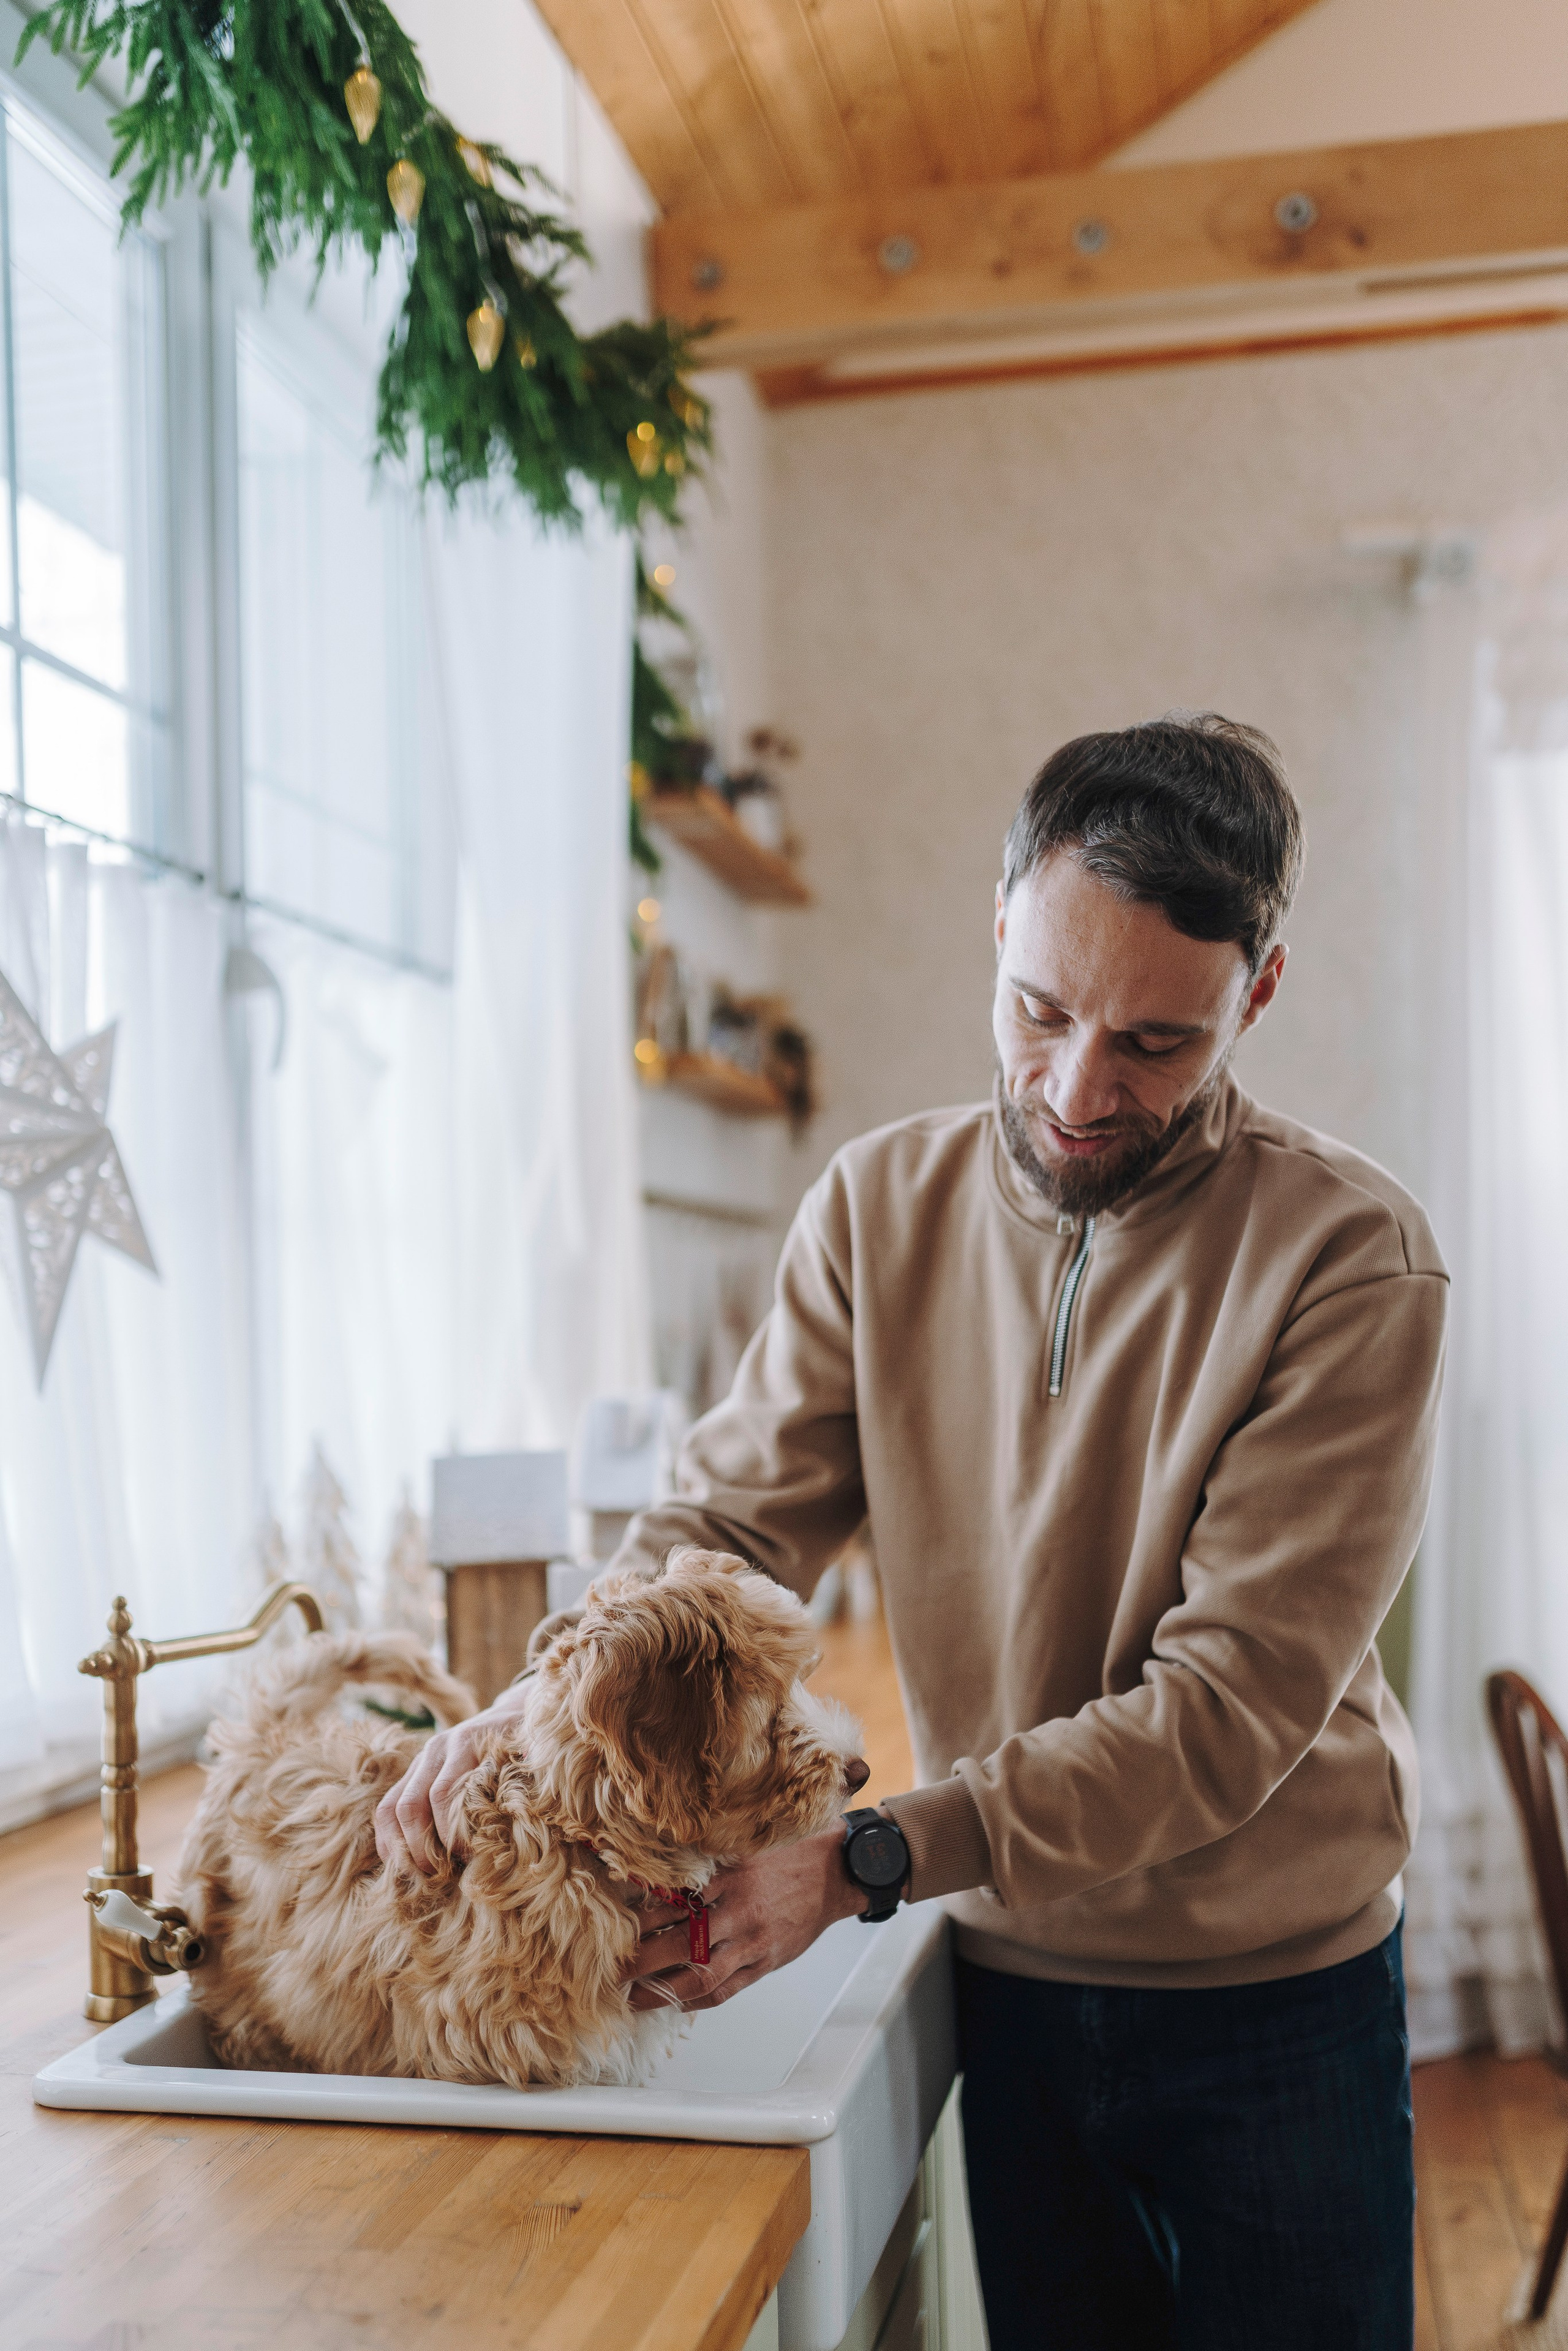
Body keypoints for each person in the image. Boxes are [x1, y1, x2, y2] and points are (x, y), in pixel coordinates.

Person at [377, 714, 1446, 2351]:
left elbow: (1223, 1716)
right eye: (1041, 1011)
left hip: (1272, 2007)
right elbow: (727, 1522)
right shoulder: (877, 1210)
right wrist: (536, 1704)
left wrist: (874, 1856)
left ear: (1261, 993)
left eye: (1157, 1045)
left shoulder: (1351, 1262)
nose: (1079, 1091)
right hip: (1010, 1979)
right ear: (997, 922)